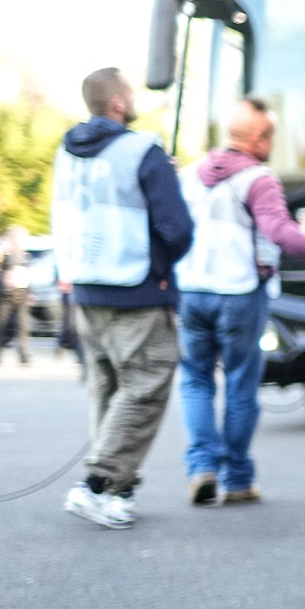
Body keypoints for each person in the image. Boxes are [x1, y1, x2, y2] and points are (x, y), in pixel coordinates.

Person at [176, 97, 305, 505]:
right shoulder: (258, 179)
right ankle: (238, 478)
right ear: (259, 138)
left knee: (196, 381)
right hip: (239, 293)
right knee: (242, 383)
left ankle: (202, 467)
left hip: (191, 291)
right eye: (271, 136)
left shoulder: (190, 175)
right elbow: (281, 232)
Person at [51, 67, 194, 529]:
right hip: (136, 288)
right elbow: (177, 229)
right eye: (129, 93)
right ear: (117, 103)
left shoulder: (68, 151)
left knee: (110, 391)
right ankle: (96, 485)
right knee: (145, 386)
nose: (133, 100)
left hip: (87, 288)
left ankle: (118, 491)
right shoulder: (143, 150)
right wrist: (161, 268)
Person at [0, 225, 33, 364]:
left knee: (23, 324)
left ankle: (23, 353)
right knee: (2, 324)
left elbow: (27, 274)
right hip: (4, 294)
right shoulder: (2, 252)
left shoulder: (25, 254)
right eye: (21, 238)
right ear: (13, 238)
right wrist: (4, 276)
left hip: (21, 292)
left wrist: (30, 293)